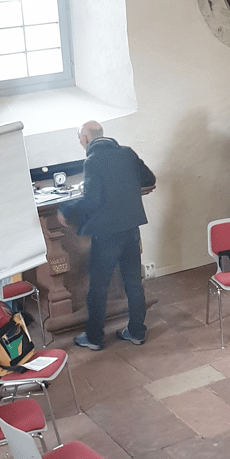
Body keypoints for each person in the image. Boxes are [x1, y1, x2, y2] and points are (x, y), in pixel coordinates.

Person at [59, 120, 156, 350]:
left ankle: (94, 338)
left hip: (107, 234)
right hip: (131, 229)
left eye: (80, 138)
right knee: (133, 282)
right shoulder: (127, 153)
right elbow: (149, 179)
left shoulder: (93, 160)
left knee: (99, 287)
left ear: (85, 138)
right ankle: (136, 331)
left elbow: (91, 200)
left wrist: (66, 210)